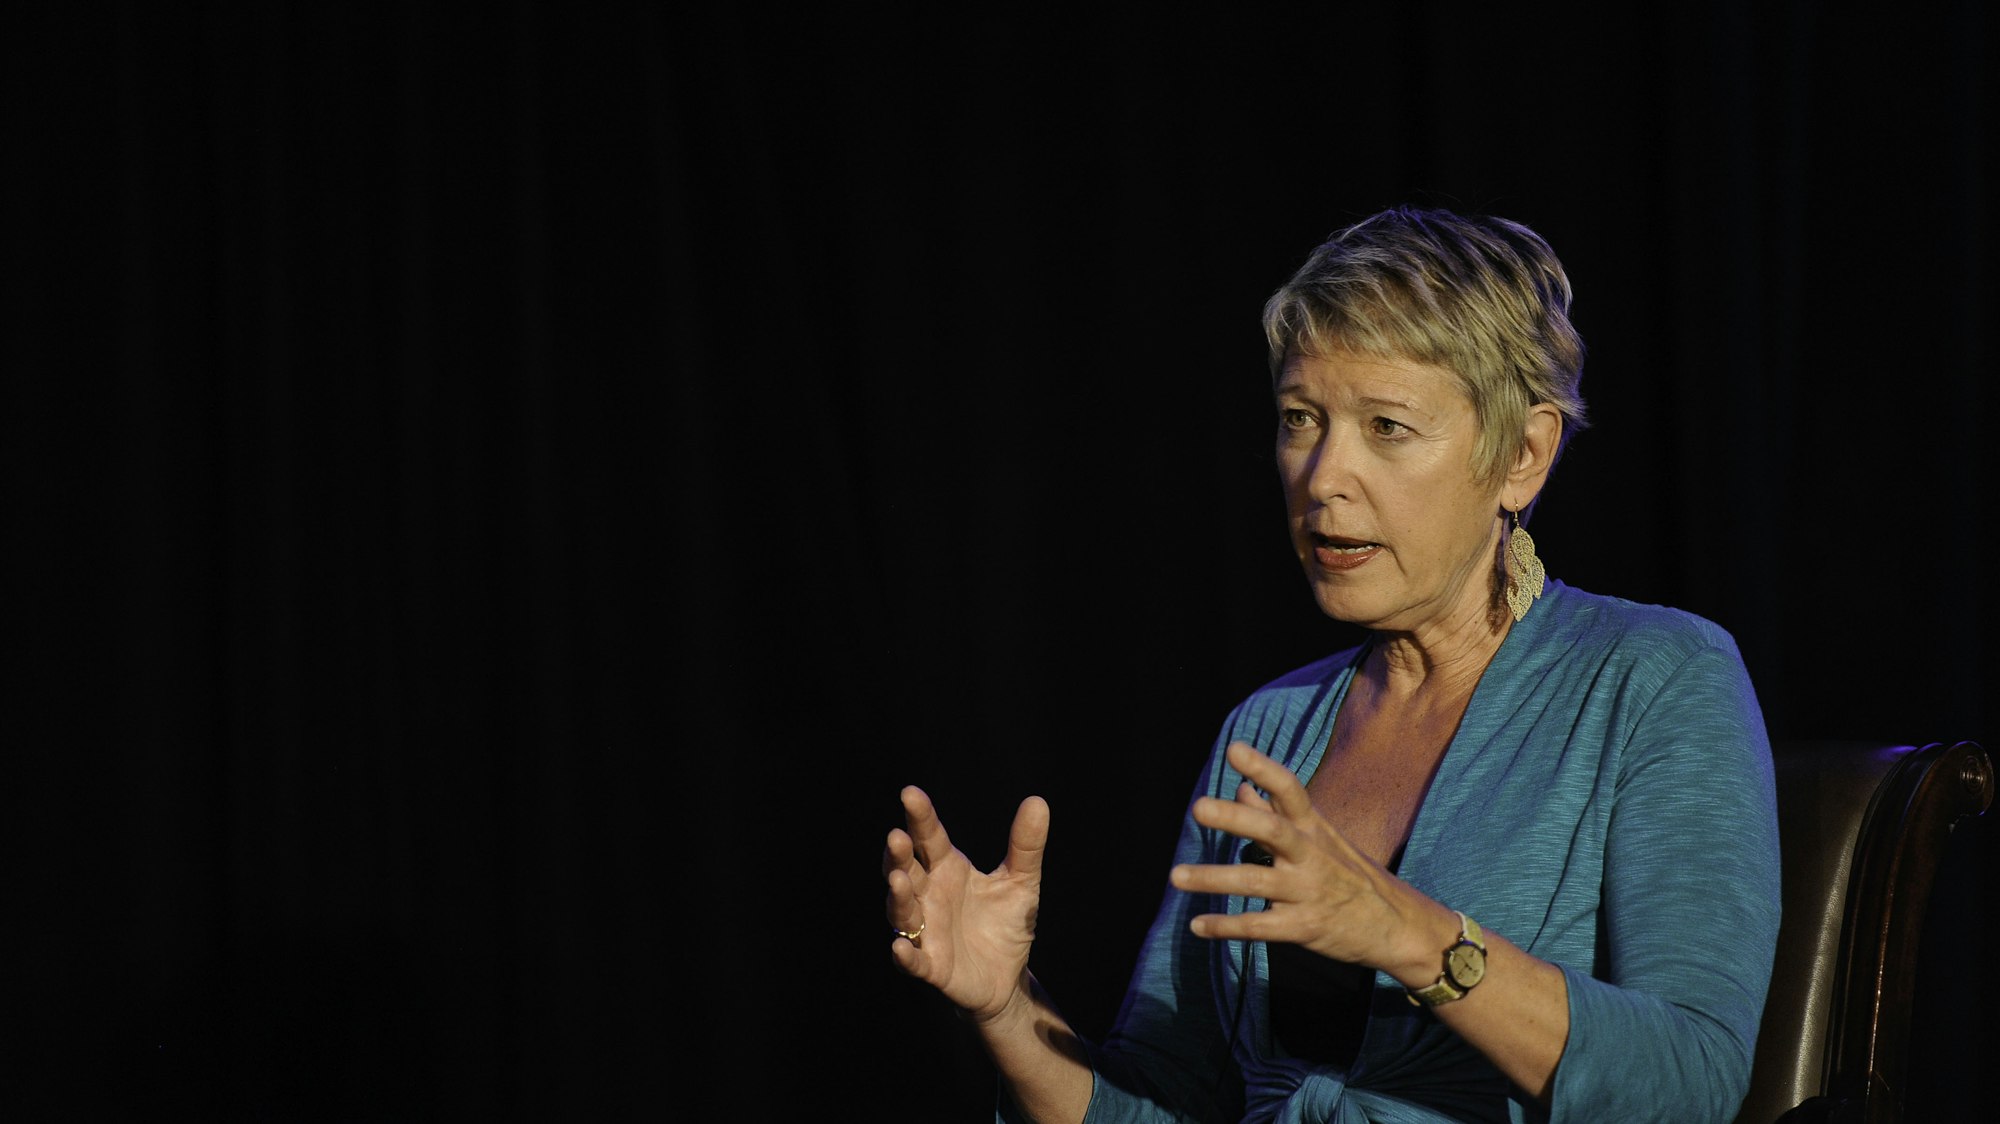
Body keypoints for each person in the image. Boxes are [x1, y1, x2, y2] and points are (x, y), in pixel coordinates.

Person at [881, 205, 1781, 1123]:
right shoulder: (1269, 730)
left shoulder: (1657, 679)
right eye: (1300, 420)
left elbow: (1693, 1079)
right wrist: (1006, 1007)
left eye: (1387, 426)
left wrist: (1406, 932)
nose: (1322, 477)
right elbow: (1164, 1103)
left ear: (1522, 454)